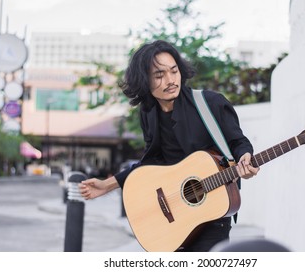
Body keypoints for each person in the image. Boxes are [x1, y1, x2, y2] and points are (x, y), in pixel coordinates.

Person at [79, 40, 259, 252]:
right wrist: (107, 185)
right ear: (143, 81)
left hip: (211, 213)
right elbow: (151, 162)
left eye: (174, 71)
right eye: (159, 75)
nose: (170, 80)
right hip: (173, 214)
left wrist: (245, 157)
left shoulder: (211, 103)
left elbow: (238, 142)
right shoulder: (148, 113)